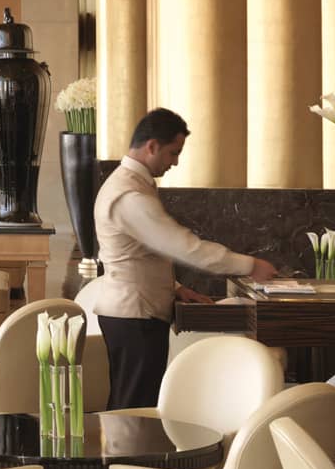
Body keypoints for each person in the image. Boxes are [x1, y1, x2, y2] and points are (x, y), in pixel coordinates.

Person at [91, 108, 277, 409]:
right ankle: (127, 444)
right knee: (134, 409)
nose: (175, 162)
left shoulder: (130, 185)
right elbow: (185, 247)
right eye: (173, 153)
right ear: (152, 146)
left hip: (135, 312)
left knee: (135, 405)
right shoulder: (129, 195)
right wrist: (251, 265)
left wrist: (176, 287)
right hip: (134, 315)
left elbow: (140, 254)